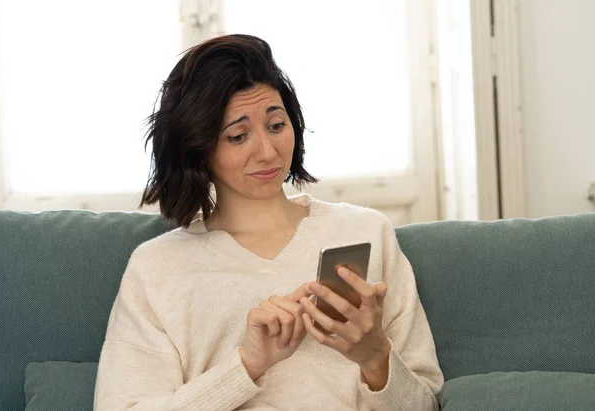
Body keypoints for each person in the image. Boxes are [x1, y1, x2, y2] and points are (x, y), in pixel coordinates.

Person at [94, 34, 444, 411]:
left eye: (276, 125)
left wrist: (375, 358)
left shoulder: (365, 233)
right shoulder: (156, 268)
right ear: (198, 149)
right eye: (238, 136)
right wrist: (247, 365)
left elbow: (427, 403)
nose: (266, 151)